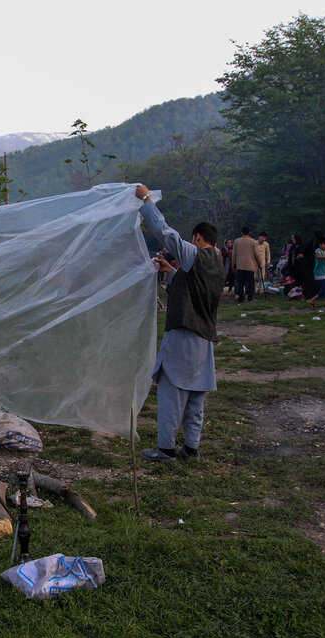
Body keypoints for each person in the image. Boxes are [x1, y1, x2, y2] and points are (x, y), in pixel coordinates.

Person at [135, 184, 224, 462]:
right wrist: (171, 271)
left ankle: (165, 449)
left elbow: (166, 233)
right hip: (204, 338)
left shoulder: (196, 254)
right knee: (196, 394)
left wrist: (146, 199)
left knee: (172, 390)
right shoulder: (219, 263)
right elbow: (194, 288)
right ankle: (191, 448)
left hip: (185, 334)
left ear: (198, 238)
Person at [232, 226, 260, 303]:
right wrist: (259, 263)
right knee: (250, 283)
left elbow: (234, 254)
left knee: (240, 283)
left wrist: (233, 264)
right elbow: (256, 254)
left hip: (240, 265)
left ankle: (240, 298)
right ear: (249, 233)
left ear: (241, 233)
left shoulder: (237, 241)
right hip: (250, 265)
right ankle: (250, 298)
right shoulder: (253, 241)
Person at [305, 237, 325, 311]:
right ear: (320, 244)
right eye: (324, 244)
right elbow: (319, 256)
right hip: (319, 273)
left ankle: (311, 301)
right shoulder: (318, 251)